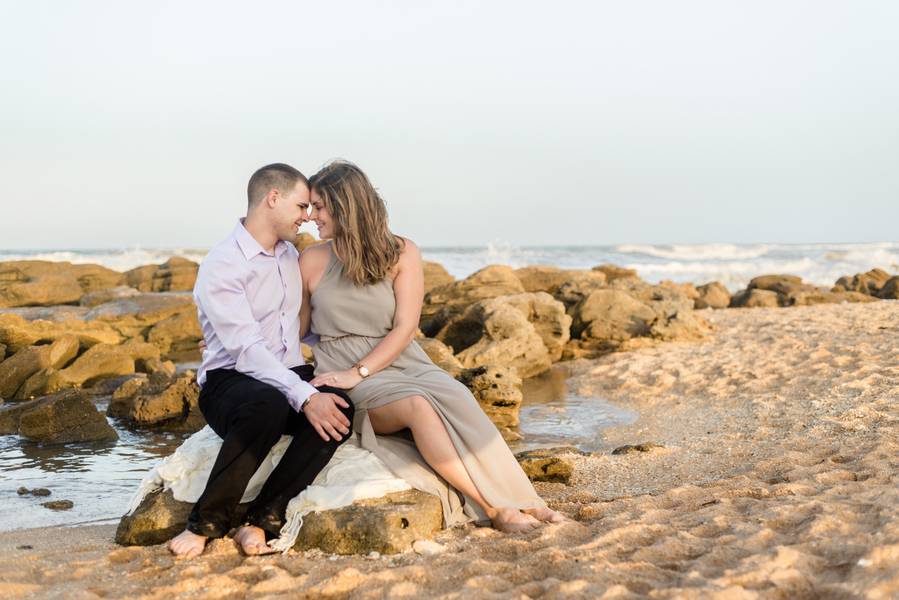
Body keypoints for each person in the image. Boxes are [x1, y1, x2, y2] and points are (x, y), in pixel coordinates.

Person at [299, 160, 567, 532]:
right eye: (310, 207)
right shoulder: (311, 259)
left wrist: (358, 370)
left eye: (320, 206)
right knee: (420, 407)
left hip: (399, 360)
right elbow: (293, 328)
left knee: (458, 396)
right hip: (349, 374)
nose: (312, 215)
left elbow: (405, 327)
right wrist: (235, 342)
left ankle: (526, 502)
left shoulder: (402, 251)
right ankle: (496, 508)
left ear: (346, 206)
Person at [167, 163, 355, 559]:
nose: (307, 216)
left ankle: (262, 517)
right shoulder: (224, 263)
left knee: (340, 409)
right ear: (273, 198)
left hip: (287, 370)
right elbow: (248, 351)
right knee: (266, 405)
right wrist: (304, 396)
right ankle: (206, 522)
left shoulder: (289, 254)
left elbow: (298, 326)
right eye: (302, 205)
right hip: (230, 379)